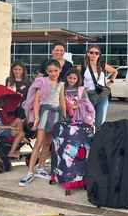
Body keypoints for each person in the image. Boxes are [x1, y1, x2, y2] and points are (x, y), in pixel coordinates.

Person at [19, 59, 66, 187]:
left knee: (47, 143)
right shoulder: (43, 83)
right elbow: (36, 101)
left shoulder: (61, 84)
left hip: (57, 114)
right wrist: (37, 118)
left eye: (56, 71)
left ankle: (40, 169)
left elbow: (62, 101)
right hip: (45, 114)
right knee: (38, 143)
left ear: (60, 70)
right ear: (46, 71)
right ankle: (29, 172)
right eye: (50, 71)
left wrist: (65, 117)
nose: (53, 73)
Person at [77, 45, 117, 130]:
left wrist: (111, 82)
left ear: (99, 55)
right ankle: (88, 139)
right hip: (88, 96)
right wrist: (80, 87)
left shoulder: (102, 65)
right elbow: (72, 75)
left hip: (102, 95)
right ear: (87, 54)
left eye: (96, 53)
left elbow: (114, 71)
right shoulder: (83, 66)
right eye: (91, 52)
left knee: (100, 121)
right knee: (87, 120)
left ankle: (98, 140)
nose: (94, 54)